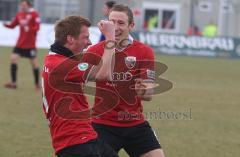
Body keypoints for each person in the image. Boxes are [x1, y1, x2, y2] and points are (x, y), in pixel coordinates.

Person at [87, 4, 165, 157]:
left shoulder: (144, 51)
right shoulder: (95, 50)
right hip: (102, 125)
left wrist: (143, 90)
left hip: (135, 124)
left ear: (131, 25)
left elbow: (148, 94)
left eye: (121, 23)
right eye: (112, 22)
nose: (115, 27)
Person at [41, 15, 118, 157]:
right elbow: (104, 74)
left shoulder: (55, 59)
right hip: (75, 141)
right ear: (70, 39)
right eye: (85, 37)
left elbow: (102, 68)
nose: (89, 42)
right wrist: (110, 38)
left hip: (83, 136)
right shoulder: (62, 65)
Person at [3, 0, 41, 90]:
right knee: (13, 59)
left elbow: (38, 27)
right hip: (20, 44)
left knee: (34, 64)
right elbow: (13, 25)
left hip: (30, 45)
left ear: (29, 5)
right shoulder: (19, 14)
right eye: (21, 5)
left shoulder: (35, 14)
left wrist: (30, 29)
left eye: (24, 5)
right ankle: (13, 83)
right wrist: (6, 25)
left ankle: (37, 84)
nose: (22, 7)